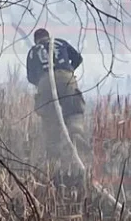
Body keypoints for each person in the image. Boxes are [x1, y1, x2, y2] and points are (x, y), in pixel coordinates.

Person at [26, 28, 88, 165]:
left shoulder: (33, 51)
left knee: (49, 118)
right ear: (48, 36)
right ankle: (75, 132)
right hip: (66, 77)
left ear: (36, 40)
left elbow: (31, 77)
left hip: (45, 81)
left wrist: (42, 82)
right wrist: (68, 70)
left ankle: (54, 157)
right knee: (74, 109)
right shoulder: (60, 42)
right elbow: (78, 58)